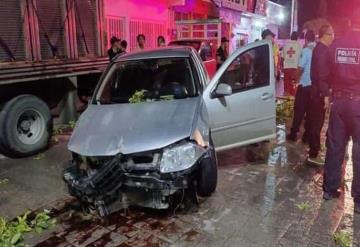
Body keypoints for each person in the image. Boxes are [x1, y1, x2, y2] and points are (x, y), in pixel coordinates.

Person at [322, 9, 360, 214]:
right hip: (358, 104)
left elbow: (325, 72)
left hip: (338, 103)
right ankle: (359, 200)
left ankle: (329, 189)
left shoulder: (336, 45)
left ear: (349, 23)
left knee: (335, 146)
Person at [307, 25, 335, 165]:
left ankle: (313, 150)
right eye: (332, 34)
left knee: (315, 122)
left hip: (315, 91)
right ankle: (313, 153)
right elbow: (322, 75)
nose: (333, 36)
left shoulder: (319, 49)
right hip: (319, 93)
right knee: (317, 123)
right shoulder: (323, 51)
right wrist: (325, 95)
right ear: (325, 35)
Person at [287, 31, 316, 142]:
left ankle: (294, 133)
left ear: (306, 39)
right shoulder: (317, 50)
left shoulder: (306, 50)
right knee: (310, 112)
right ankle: (307, 136)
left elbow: (300, 68)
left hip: (304, 86)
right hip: (313, 87)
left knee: (299, 110)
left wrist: (294, 78)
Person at [282, 31, 302, 96]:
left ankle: (286, 104)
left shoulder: (286, 45)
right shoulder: (299, 45)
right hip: (295, 69)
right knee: (294, 88)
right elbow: (301, 58)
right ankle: (293, 103)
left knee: (287, 88)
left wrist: (282, 67)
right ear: (297, 38)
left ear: (291, 37)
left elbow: (282, 58)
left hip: (286, 68)